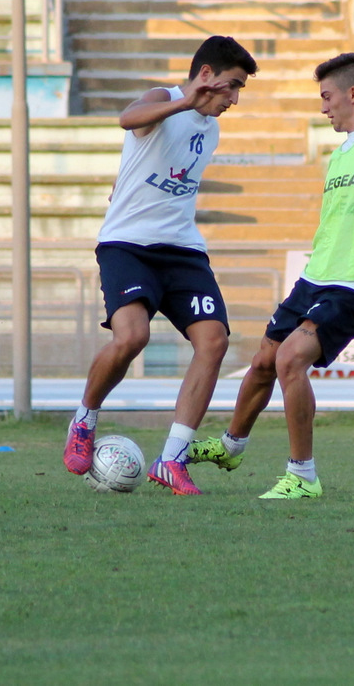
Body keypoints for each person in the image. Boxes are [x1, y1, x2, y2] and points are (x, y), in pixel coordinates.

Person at [186, 52, 354, 499]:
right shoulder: (341, 153)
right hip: (315, 279)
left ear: (353, 93)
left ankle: (303, 475)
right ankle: (231, 446)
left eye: (327, 96)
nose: (323, 107)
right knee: (261, 363)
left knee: (290, 359)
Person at [62, 35, 258, 495]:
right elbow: (127, 119)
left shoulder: (211, 130)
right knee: (132, 337)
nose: (232, 99)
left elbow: (152, 167)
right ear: (204, 75)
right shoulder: (163, 100)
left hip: (182, 249)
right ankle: (85, 417)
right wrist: (182, 102)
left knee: (214, 341)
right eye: (230, 86)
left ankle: (172, 459)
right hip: (127, 245)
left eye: (239, 91)